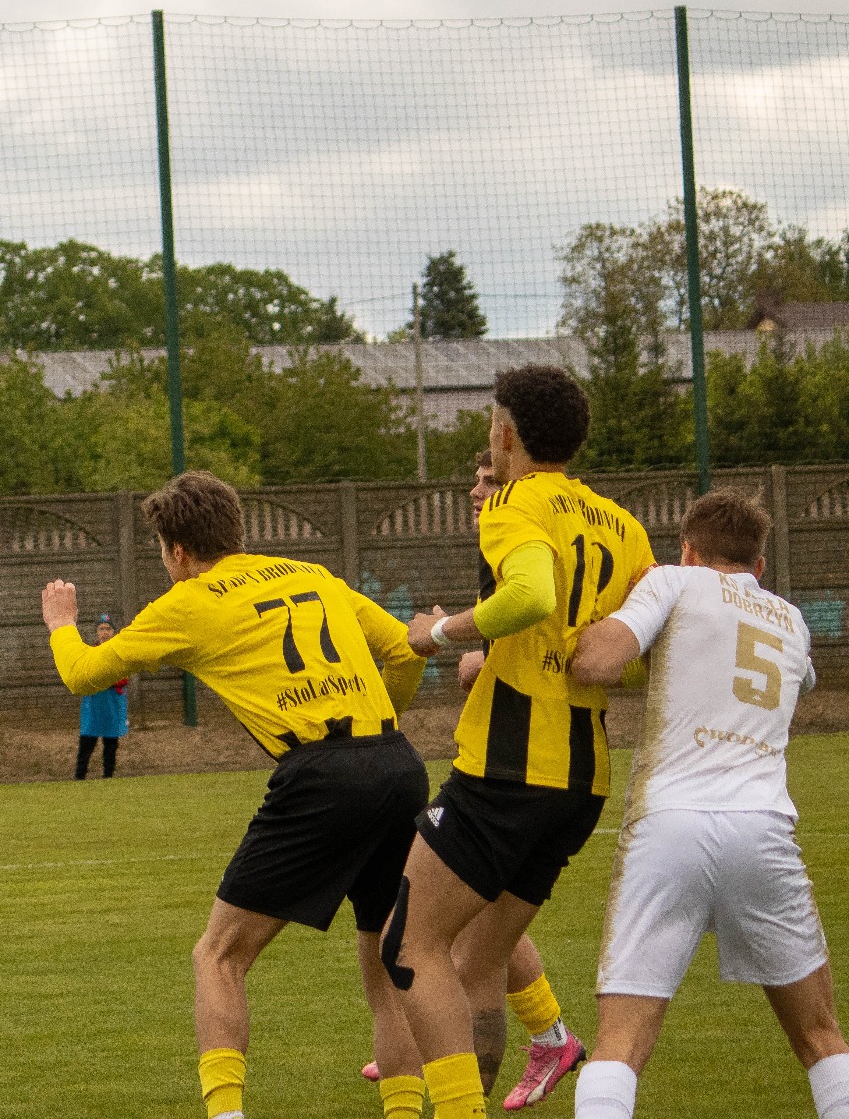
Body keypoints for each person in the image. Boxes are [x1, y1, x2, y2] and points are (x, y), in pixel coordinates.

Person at [43, 470, 432, 1119]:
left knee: (218, 956)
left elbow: (83, 674)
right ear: (238, 529)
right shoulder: (312, 575)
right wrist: (380, 725)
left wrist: (62, 622)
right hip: (397, 765)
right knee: (385, 956)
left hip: (321, 776)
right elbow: (405, 649)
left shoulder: (190, 600)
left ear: (177, 552)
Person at [386, 366, 655, 1119]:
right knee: (479, 964)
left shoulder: (513, 504)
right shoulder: (621, 525)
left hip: (508, 769)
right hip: (581, 778)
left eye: (489, 428)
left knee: (410, 943)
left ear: (507, 435)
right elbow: (634, 654)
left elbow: (531, 593)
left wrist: (437, 633)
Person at [568, 489, 849, 1119]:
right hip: (764, 828)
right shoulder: (793, 620)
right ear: (761, 563)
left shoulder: (673, 582)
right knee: (821, 1037)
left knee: (619, 1042)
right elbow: (799, 677)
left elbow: (597, 662)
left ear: (689, 549)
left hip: (670, 825)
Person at [361, 451, 585, 1110]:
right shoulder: (525, 541)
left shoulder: (521, 537)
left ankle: (472, 1055)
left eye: (486, 479)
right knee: (468, 929)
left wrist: (458, 642)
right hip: (541, 768)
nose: (473, 488)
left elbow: (541, 623)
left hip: (512, 770)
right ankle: (541, 1037)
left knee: (439, 938)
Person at [74, 616, 127, 780]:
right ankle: (79, 776)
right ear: (97, 633)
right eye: (101, 629)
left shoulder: (119, 652)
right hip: (93, 704)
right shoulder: (90, 652)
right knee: (87, 740)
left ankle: (108, 775)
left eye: (108, 629)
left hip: (112, 703)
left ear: (114, 632)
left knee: (111, 741)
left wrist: (102, 679)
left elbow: (123, 678)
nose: (105, 632)